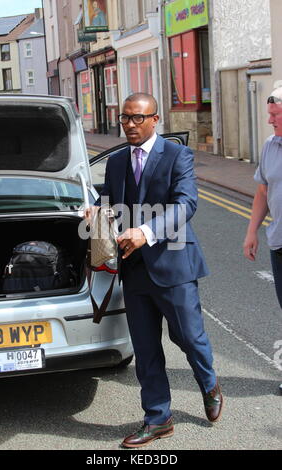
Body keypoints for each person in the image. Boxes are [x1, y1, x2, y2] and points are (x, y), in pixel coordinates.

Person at [87, 93, 223, 448]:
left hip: (174, 265)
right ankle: (158, 418)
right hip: (134, 270)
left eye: (137, 118)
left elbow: (186, 203)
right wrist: (93, 211)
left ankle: (208, 382)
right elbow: (109, 200)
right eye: (125, 119)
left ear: (154, 119)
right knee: (146, 349)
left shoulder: (178, 155)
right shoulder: (116, 162)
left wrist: (145, 232)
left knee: (189, 338)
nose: (129, 125)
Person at [243, 86, 282, 395]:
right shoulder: (270, 146)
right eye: (269, 114)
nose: (270, 120)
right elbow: (263, 191)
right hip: (279, 243)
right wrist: (252, 231)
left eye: (275, 114)